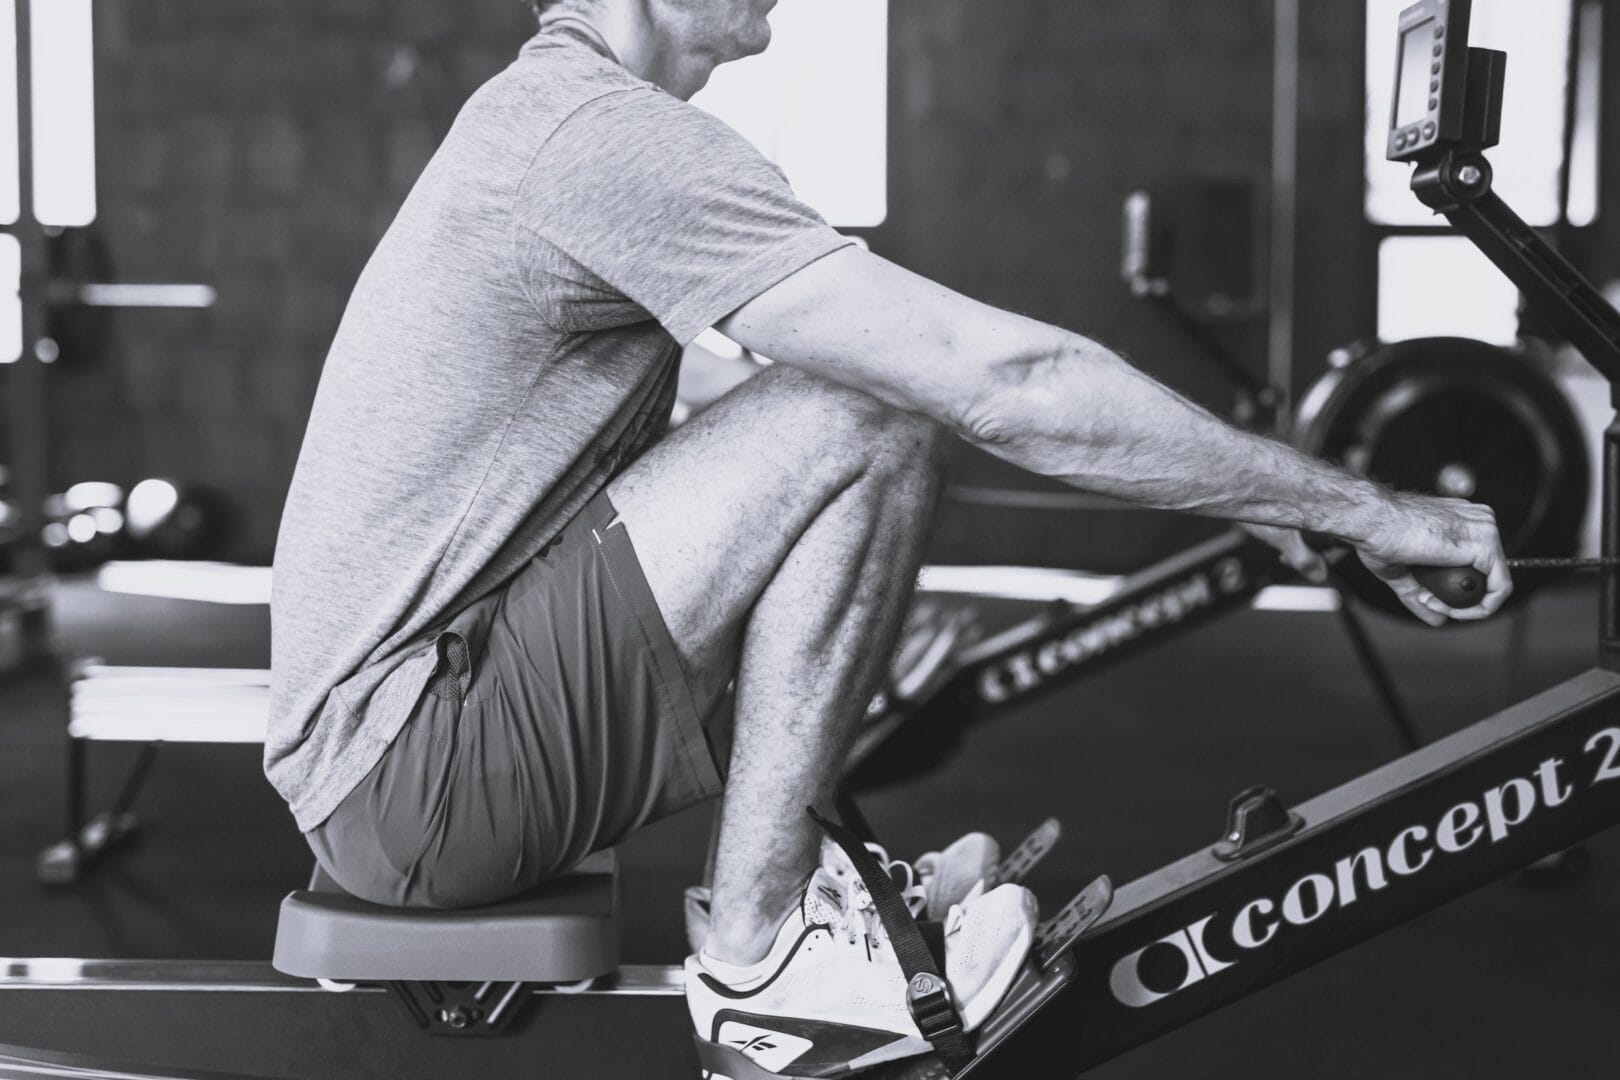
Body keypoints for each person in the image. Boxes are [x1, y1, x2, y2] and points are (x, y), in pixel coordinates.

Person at [266, 0, 1513, 1074]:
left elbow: (735, 431)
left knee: (847, 414)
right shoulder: (594, 135)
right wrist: (1364, 507)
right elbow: (997, 380)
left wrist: (1250, 494)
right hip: (417, 766)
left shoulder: (553, 120)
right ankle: (765, 966)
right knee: (870, 412)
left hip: (416, 744)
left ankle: (804, 899)